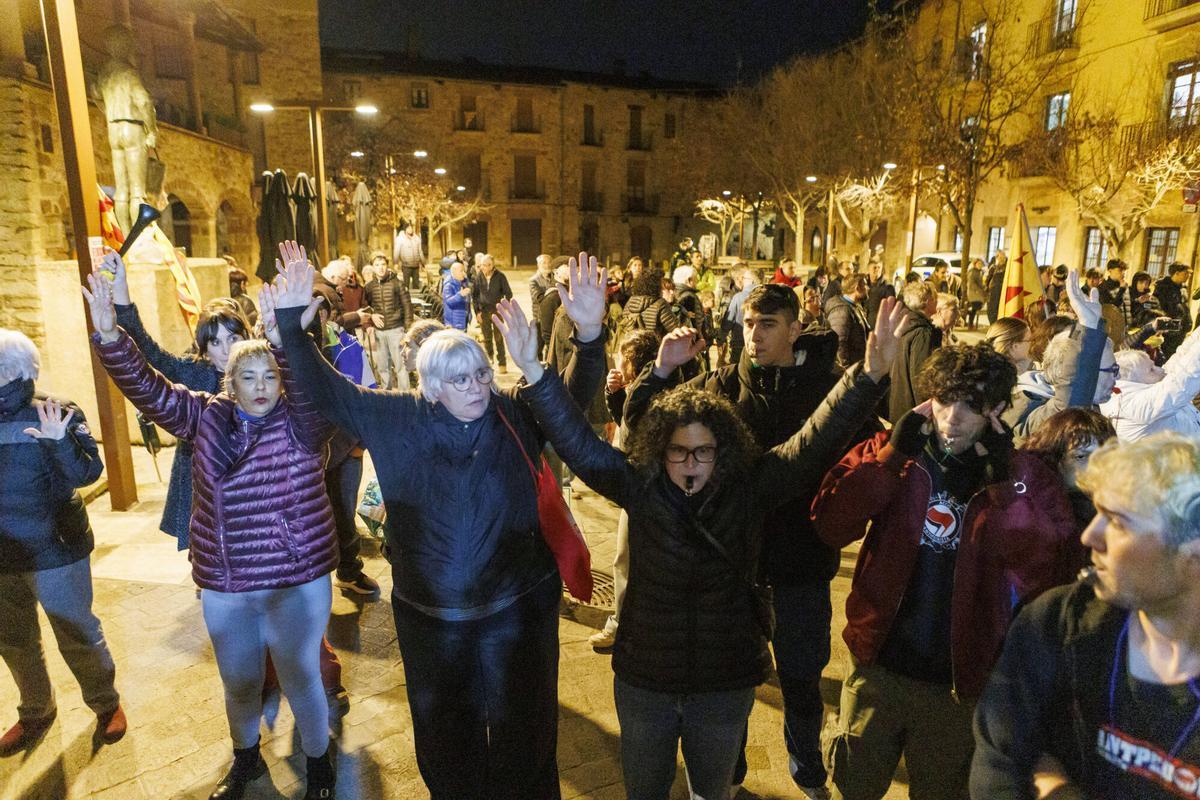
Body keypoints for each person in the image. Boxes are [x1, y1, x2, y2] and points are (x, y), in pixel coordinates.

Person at [495, 293, 905, 800]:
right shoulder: (638, 486)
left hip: (723, 681)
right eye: (678, 451)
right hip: (646, 679)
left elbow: (817, 438)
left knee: (712, 790)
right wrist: (534, 370)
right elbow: (578, 444)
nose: (690, 463)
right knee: (645, 787)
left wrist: (867, 377)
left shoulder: (752, 486)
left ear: (725, 449)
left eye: (703, 451)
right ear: (657, 449)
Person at [274, 245, 608, 800]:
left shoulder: (511, 412)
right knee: (445, 742)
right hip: (433, 621)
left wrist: (590, 337)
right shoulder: (394, 415)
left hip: (516, 613)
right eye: (458, 379)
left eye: (480, 373)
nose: (476, 387)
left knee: (526, 739)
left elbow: (568, 399)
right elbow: (325, 389)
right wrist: (291, 323)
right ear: (429, 385)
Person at [84, 267, 339, 799]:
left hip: (295, 579)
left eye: (271, 375)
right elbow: (150, 389)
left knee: (301, 678)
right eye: (249, 377)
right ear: (230, 382)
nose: (262, 386)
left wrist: (284, 335)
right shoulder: (205, 417)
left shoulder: (303, 420)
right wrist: (111, 336)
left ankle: (319, 766)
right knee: (239, 681)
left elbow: (316, 388)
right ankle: (246, 757)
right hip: (228, 582)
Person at [623, 283, 881, 798]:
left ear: (793, 328)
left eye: (767, 324)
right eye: (747, 324)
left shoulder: (826, 386)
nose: (754, 335)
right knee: (732, 682)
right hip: (735, 568)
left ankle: (806, 769)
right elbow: (645, 438)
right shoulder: (718, 387)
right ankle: (730, 774)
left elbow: (857, 453)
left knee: (802, 678)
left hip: (801, 564)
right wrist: (656, 374)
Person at [813, 343, 1077, 800]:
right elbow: (831, 523)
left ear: (997, 409)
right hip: (878, 667)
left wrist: (1003, 486)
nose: (952, 417)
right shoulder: (897, 451)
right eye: (944, 399)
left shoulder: (1023, 476)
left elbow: (1041, 565)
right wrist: (892, 457)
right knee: (852, 786)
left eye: (971, 405)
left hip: (958, 685)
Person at [971, 432, 1200, 800]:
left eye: (1119, 522)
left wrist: (1057, 788)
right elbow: (1000, 760)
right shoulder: (1058, 621)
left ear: (1192, 553)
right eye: (1097, 513)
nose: (1090, 536)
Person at [0, 329, 125, 755]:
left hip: (55, 549)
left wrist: (58, 444)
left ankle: (106, 706)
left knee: (76, 633)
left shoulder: (58, 410)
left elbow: (88, 473)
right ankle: (36, 709)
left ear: (18, 370)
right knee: (13, 639)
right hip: (2, 554)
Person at [102, 252, 251, 550]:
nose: (225, 350)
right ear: (204, 348)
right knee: (205, 547)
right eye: (215, 342)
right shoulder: (193, 371)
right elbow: (148, 352)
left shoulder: (260, 373)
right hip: (200, 479)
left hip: (246, 480)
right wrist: (121, 292)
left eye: (233, 339)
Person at [589, 329, 662, 650]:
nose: (616, 362)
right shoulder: (638, 391)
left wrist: (623, 397)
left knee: (628, 560)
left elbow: (631, 436)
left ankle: (626, 625)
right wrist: (616, 395)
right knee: (625, 559)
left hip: (648, 492)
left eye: (621, 357)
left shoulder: (651, 394)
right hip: (640, 490)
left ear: (634, 363)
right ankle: (625, 622)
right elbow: (623, 420)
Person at [1004, 270, 1116, 442]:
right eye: (1111, 370)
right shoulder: (1032, 406)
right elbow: (1068, 411)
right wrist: (1089, 330)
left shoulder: (1091, 406)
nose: (1118, 376)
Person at [1099, 323, 1200, 441]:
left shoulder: (1134, 390)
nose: (1161, 369)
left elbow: (1177, 365)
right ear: (1134, 381)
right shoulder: (1130, 405)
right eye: (1151, 370)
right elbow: (1183, 378)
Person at [887, 279, 942, 424]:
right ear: (927, 300)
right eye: (935, 298)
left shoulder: (904, 323)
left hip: (898, 403)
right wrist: (926, 412)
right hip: (912, 409)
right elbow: (920, 373)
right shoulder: (922, 332)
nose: (937, 302)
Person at [364, 252, 414, 390]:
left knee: (401, 366)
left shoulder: (397, 283)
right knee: (382, 366)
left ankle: (405, 396)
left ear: (387, 266)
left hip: (396, 329)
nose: (380, 268)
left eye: (383, 264)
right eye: (377, 265)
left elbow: (407, 306)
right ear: (372, 267)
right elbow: (366, 307)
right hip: (379, 331)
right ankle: (387, 395)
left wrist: (408, 329)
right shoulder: (369, 287)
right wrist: (369, 321)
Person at [473, 254, 514, 374]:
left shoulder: (500, 276)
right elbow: (474, 296)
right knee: (487, 338)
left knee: (499, 338)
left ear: (492, 265)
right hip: (484, 311)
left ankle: (502, 363)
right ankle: (488, 361)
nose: (485, 267)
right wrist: (477, 312)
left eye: (488, 265)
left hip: (497, 310)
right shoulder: (478, 276)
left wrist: (504, 307)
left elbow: (509, 294)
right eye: (483, 265)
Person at [825, 273, 870, 369]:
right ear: (857, 288)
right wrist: (846, 370)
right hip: (850, 370)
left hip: (857, 366)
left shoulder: (854, 306)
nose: (868, 288)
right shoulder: (842, 310)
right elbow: (839, 343)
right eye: (865, 285)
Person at [1155, 262, 1192, 357]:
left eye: (1189, 274)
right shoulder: (1162, 287)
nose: (1188, 276)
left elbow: (1185, 306)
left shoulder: (1183, 288)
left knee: (1176, 355)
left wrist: (1188, 321)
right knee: (1166, 355)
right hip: (1169, 329)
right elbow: (1157, 307)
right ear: (1176, 273)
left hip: (1182, 328)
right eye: (1185, 273)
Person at [723, 266, 758, 366]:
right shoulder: (765, 296)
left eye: (744, 278)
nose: (742, 281)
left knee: (737, 372)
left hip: (739, 343)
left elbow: (728, 322)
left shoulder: (738, 297)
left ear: (751, 281)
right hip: (758, 343)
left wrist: (721, 339)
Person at [865, 259, 896, 328]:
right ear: (868, 269)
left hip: (877, 325)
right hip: (863, 324)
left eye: (879, 267)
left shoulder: (888, 287)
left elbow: (890, 308)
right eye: (874, 267)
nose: (877, 270)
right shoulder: (863, 285)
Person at [394, 223, 426, 289]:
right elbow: (396, 251)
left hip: (416, 266)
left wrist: (423, 263)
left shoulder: (417, 239)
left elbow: (420, 251)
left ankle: (416, 298)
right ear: (405, 229)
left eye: (411, 228)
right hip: (406, 266)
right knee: (406, 285)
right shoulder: (400, 239)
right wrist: (395, 263)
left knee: (416, 285)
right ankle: (406, 298)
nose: (410, 229)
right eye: (408, 228)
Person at [441, 261, 471, 331]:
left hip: (462, 319)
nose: (464, 273)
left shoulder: (462, 283)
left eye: (464, 271)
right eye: (461, 271)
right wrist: (460, 295)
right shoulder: (449, 285)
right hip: (454, 322)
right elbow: (449, 302)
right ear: (454, 272)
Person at [986, 249, 1007, 325]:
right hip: (993, 291)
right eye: (997, 256)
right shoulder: (993, 267)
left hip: (1001, 291)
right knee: (991, 310)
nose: (998, 258)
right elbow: (988, 279)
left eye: (1000, 256)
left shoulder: (1007, 267)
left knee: (997, 310)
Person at [964, 258, 986, 330]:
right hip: (974, 293)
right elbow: (971, 283)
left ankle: (971, 323)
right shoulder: (973, 272)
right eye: (979, 264)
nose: (980, 265)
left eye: (981, 264)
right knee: (975, 308)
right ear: (975, 264)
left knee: (975, 308)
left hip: (977, 293)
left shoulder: (980, 272)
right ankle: (970, 324)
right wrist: (980, 289)